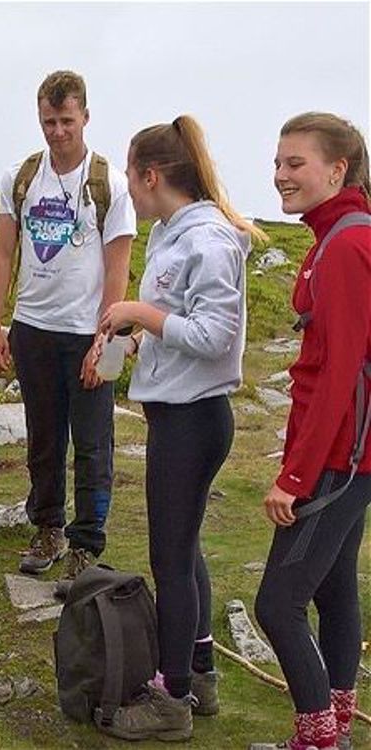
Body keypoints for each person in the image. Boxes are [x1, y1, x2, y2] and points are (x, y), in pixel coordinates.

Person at [96, 115, 265, 741]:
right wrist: (140, 338)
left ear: (151, 175)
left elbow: (216, 337)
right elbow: (184, 320)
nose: (128, 195)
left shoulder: (209, 241)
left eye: (131, 179)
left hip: (195, 418)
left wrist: (141, 312)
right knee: (184, 548)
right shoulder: (174, 234)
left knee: (170, 557)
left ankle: (171, 700)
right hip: (177, 410)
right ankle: (199, 671)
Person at [0, 69, 136, 582]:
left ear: (86, 117)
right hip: (33, 328)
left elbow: (119, 269)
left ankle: (87, 544)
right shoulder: (21, 178)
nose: (57, 132)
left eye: (66, 121)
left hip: (92, 332)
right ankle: (47, 527)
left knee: (94, 442)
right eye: (48, 121)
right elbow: (3, 253)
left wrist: (105, 344)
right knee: (42, 438)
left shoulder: (110, 183)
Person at [250, 113, 371, 750]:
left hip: (341, 459)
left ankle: (318, 739)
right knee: (333, 588)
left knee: (277, 604)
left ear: (337, 170)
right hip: (354, 454)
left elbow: (342, 370)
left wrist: (294, 477)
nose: (280, 176)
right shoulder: (339, 236)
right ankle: (336, 730)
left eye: (295, 164)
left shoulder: (348, 246)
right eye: (278, 163)